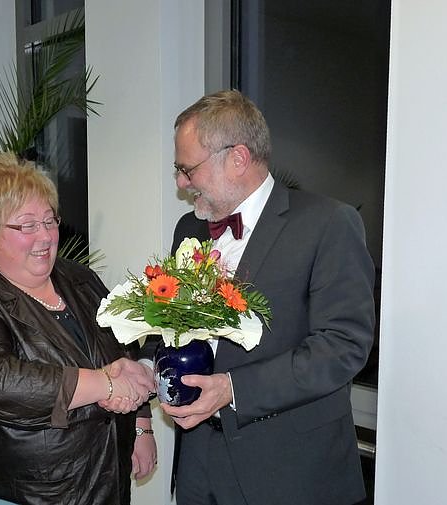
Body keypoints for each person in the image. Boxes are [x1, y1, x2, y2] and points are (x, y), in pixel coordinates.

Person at [157, 90, 376, 504]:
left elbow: (343, 347)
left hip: (291, 472)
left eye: (188, 169)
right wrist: (144, 367)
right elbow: (171, 323)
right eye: (179, 170)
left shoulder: (328, 224)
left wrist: (233, 389)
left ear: (238, 158)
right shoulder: (189, 228)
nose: (182, 183)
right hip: (198, 466)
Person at [0, 152, 157, 505]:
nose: (46, 235)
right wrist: (104, 384)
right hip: (18, 491)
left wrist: (140, 424)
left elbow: (123, 348)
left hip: (102, 479)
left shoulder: (81, 280)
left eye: (49, 220)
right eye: (27, 225)